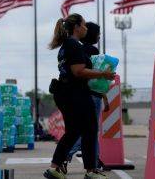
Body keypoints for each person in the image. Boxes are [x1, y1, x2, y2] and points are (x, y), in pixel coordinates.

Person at [44, 14, 115, 179]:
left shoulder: (66, 45)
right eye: (84, 25)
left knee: (73, 131)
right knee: (90, 129)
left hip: (66, 93)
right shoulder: (73, 45)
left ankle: (55, 168)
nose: (86, 29)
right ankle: (91, 171)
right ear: (76, 27)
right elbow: (78, 71)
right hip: (75, 93)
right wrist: (103, 74)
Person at [63, 22, 110, 172]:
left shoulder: (78, 48)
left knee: (89, 130)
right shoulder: (93, 50)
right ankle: (65, 155)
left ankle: (95, 161)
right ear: (93, 34)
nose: (99, 36)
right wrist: (104, 96)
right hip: (93, 94)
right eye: (98, 33)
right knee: (88, 131)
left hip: (79, 93)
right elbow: (95, 75)